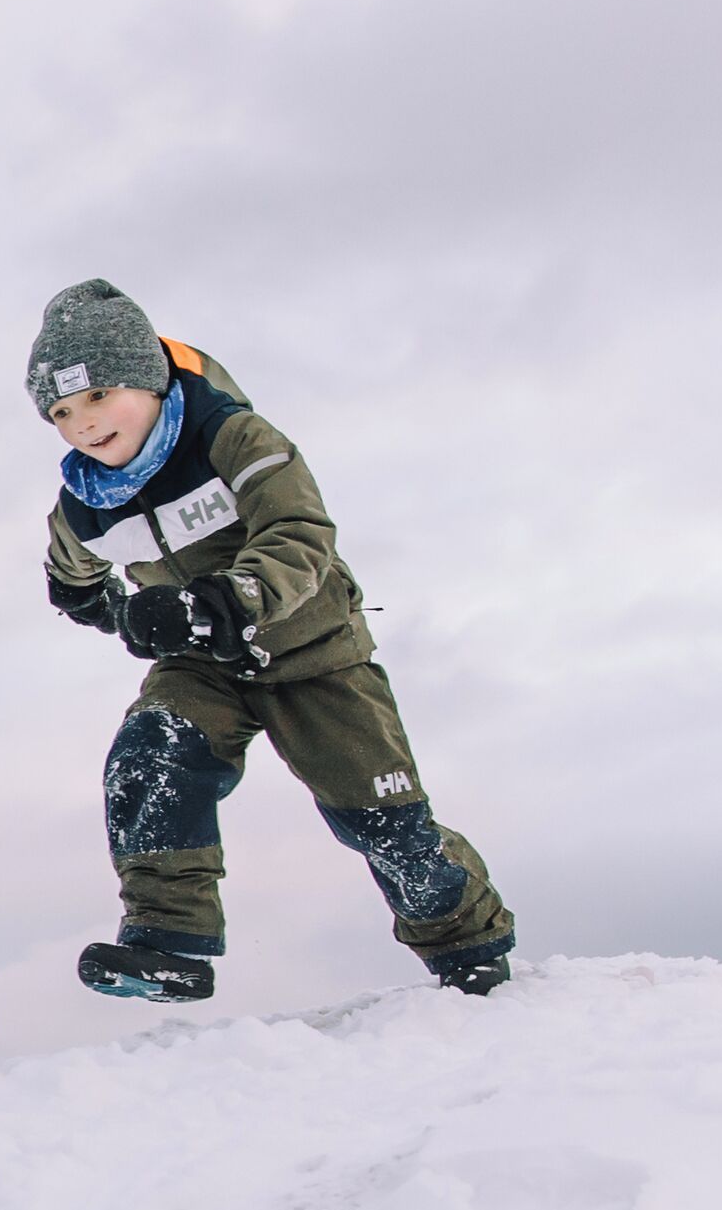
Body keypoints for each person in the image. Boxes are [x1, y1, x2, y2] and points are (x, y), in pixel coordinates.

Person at [27, 279, 514, 1002]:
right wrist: (100, 605)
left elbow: (299, 533)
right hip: (203, 664)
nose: (83, 424)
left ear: (150, 380)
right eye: (62, 412)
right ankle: (167, 942)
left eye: (99, 396)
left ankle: (466, 943)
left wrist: (223, 599)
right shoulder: (87, 500)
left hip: (312, 648)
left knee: (385, 828)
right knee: (153, 755)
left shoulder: (234, 437)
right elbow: (73, 567)